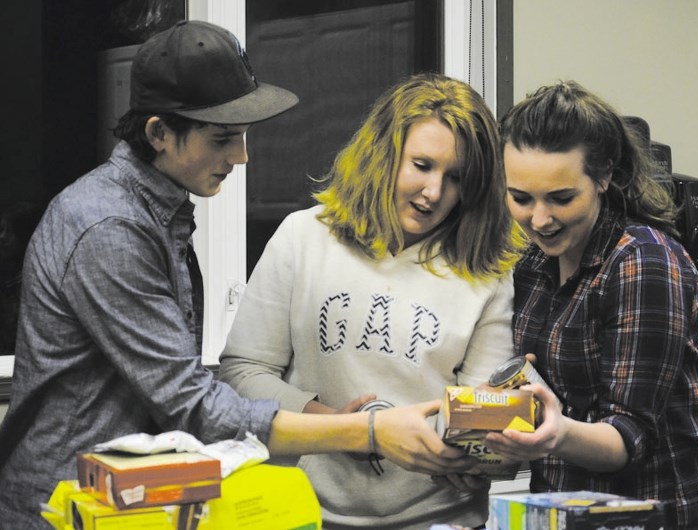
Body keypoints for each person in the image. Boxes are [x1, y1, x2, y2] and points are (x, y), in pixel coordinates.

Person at [0, 22, 480, 529]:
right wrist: (368, 432)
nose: (242, 156)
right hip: (64, 510)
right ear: (159, 133)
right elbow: (195, 409)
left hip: (130, 505)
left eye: (244, 135)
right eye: (223, 138)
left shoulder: (155, 212)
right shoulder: (110, 229)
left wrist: (333, 419)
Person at [219, 72, 526, 529]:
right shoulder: (304, 237)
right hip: (305, 514)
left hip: (439, 518)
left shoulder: (486, 272)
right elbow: (242, 374)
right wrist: (349, 429)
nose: (435, 192)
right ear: (383, 156)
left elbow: (482, 419)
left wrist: (480, 458)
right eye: (422, 165)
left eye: (456, 178)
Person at [484, 80, 698, 529]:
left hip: (664, 516)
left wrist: (554, 434)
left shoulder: (643, 260)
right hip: (566, 516)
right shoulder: (534, 265)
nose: (539, 219)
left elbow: (627, 439)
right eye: (521, 198)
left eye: (561, 198)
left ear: (604, 176)